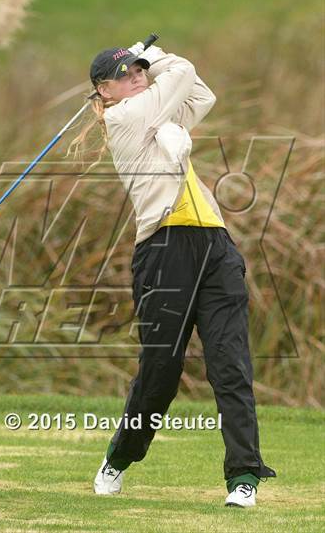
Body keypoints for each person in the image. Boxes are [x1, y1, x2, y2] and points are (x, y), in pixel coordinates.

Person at [79, 41, 276, 507]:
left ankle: (244, 477)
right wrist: (161, 55)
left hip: (214, 244)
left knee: (230, 365)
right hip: (163, 250)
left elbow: (202, 95)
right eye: (125, 74)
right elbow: (185, 70)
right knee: (161, 371)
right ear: (104, 91)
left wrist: (150, 59)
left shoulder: (158, 118)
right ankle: (118, 459)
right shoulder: (125, 118)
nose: (136, 76)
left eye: (139, 70)